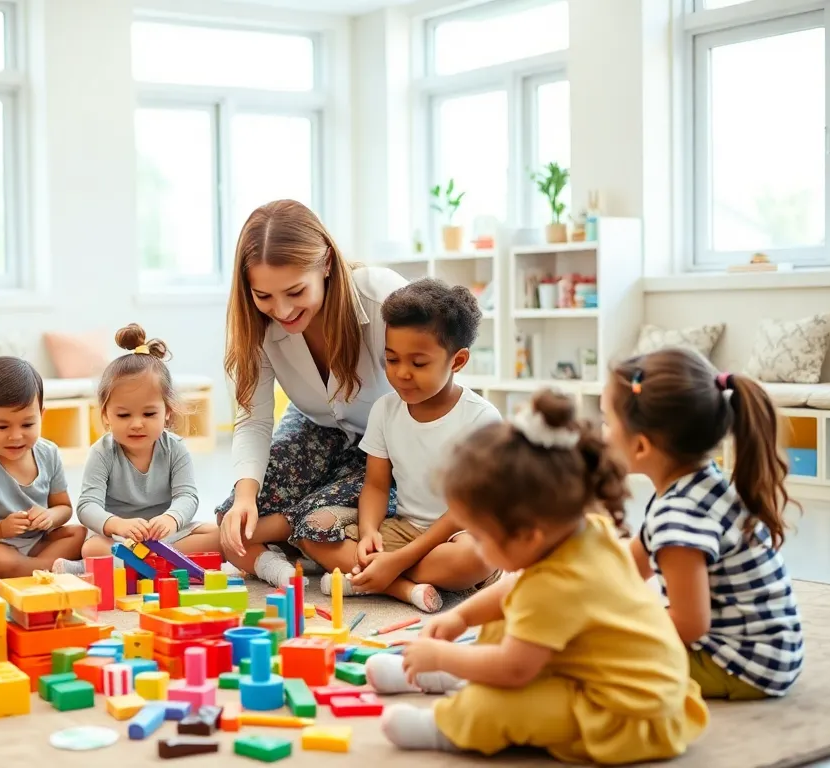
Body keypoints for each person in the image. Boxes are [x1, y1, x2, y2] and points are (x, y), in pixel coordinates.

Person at [366, 391, 708, 763]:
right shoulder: (587, 530)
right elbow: (515, 588)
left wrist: (444, 656)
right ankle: (445, 673)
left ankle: (448, 723)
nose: (477, 549)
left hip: (628, 713)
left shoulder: (555, 588)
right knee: (506, 618)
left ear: (529, 535)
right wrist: (461, 616)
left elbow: (513, 670)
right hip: (615, 676)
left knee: (506, 703)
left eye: (481, 538)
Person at [218, 199, 407, 587]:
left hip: (390, 444)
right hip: (316, 427)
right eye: (264, 296)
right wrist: (244, 497)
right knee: (235, 513)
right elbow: (253, 420)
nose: (282, 310)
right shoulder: (258, 326)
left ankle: (290, 543)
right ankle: (288, 544)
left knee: (313, 519)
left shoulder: (382, 297)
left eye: (294, 291)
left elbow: (434, 382)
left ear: (325, 265)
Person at [605, 348, 803, 699]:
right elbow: (628, 565)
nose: (602, 433)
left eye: (608, 422)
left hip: (741, 664)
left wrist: (617, 628)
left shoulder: (679, 515)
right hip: (773, 652)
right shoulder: (698, 482)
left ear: (640, 446)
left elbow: (689, 624)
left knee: (597, 657)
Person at [296, 278, 501, 611]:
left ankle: (378, 576)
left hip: (459, 533)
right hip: (405, 528)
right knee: (312, 529)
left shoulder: (481, 419)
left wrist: (398, 559)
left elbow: (466, 510)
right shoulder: (386, 410)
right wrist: (367, 533)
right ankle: (403, 588)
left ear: (458, 361)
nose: (402, 374)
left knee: (475, 557)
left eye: (418, 364)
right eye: (392, 360)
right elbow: (376, 486)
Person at [53, 325, 220, 575]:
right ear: (106, 415)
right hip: (120, 539)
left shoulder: (176, 449)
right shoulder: (102, 452)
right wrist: (117, 524)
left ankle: (113, 568)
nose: (137, 423)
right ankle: (150, 566)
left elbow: (187, 496)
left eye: (149, 413)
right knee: (93, 548)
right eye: (123, 414)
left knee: (218, 536)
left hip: (165, 538)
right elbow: (88, 505)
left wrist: (171, 519)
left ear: (168, 412)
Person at [0, 356, 86, 578]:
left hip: (37, 543)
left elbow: (63, 507)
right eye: (2, 426)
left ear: (42, 415)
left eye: (28, 424)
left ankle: (29, 569)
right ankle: (47, 570)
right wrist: (0, 529)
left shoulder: (49, 453)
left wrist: (50, 517)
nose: (15, 436)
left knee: (79, 533)